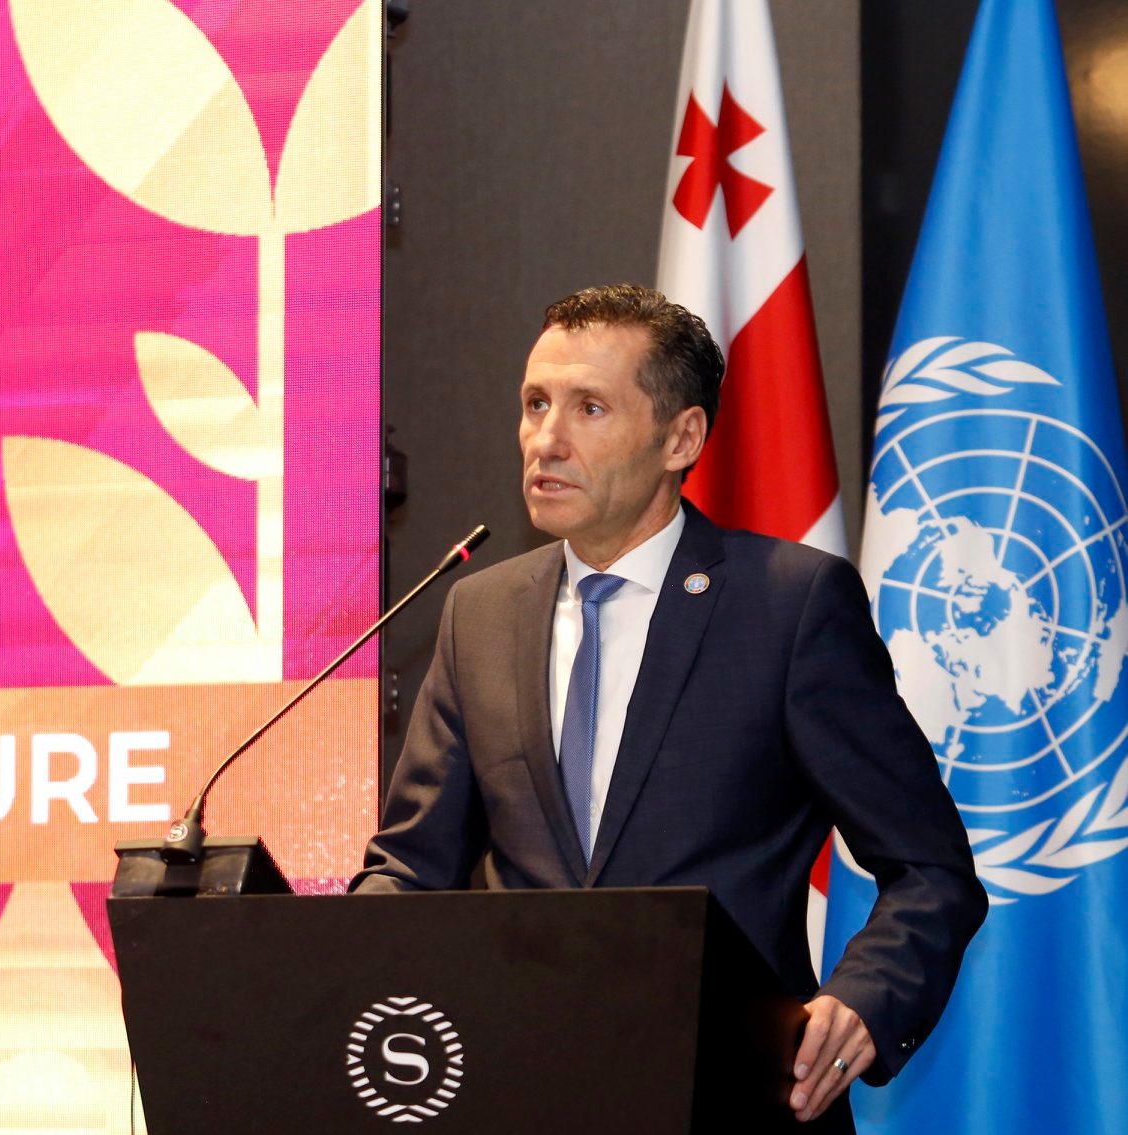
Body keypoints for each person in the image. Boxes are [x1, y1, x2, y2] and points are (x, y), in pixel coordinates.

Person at [353, 284, 986, 1127]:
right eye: (535, 403)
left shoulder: (788, 605)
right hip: (518, 1090)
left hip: (734, 1091)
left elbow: (930, 869)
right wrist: (341, 974)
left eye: (588, 408)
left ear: (680, 437)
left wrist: (864, 999)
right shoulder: (480, 612)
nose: (546, 439)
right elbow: (411, 866)